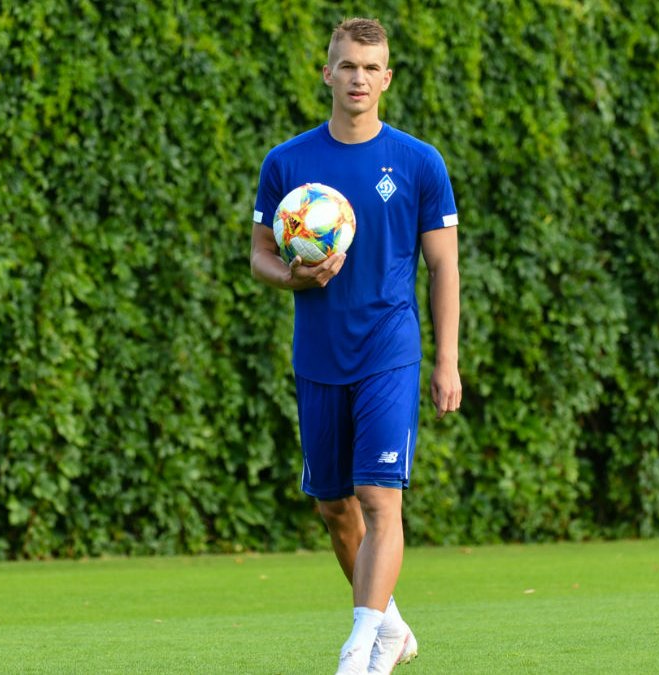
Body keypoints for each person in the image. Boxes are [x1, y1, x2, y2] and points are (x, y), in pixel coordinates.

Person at [249, 16, 461, 675]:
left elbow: (443, 266)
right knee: (335, 507)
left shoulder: (420, 162)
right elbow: (259, 255)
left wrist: (447, 360)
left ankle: (358, 650)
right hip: (318, 355)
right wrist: (292, 276)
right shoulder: (287, 163)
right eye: (347, 66)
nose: (358, 78)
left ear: (387, 78)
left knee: (378, 496)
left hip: (388, 351)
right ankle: (390, 627)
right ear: (328, 74)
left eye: (371, 68)